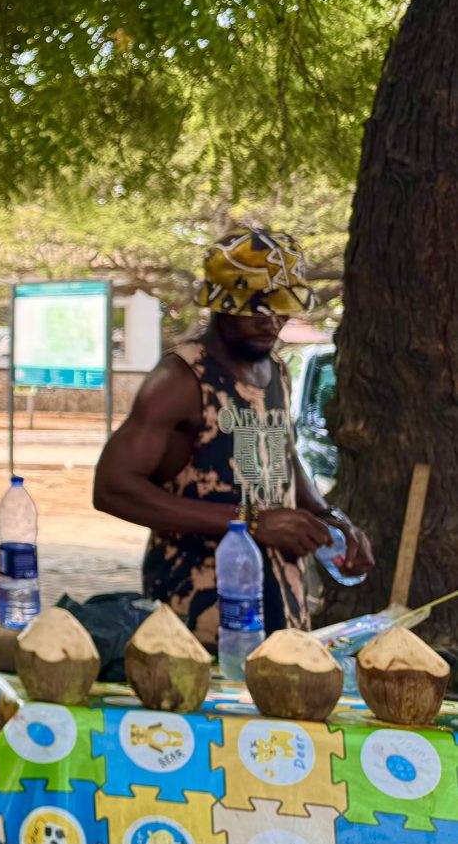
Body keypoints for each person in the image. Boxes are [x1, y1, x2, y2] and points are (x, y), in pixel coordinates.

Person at [93, 228, 373, 644]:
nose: (272, 322)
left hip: (281, 607)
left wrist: (329, 518)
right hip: (199, 616)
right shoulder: (179, 379)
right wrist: (250, 523)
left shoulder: (276, 370)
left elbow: (282, 455)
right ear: (221, 305)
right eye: (257, 311)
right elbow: (112, 488)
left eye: (282, 310)